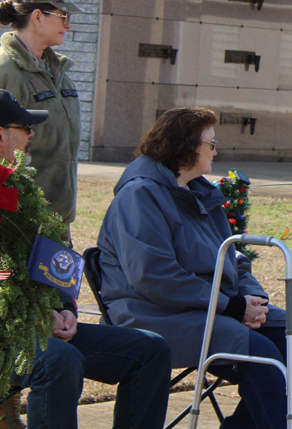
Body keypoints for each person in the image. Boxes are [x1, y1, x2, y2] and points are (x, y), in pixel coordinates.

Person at [96, 107, 292, 429]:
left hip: (212, 309)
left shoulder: (200, 192)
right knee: (261, 354)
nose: (216, 152)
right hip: (155, 313)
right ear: (184, 148)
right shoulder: (139, 196)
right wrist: (233, 308)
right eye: (211, 144)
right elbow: (155, 277)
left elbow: (233, 259)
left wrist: (253, 303)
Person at [0, 90, 171, 429]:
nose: (32, 134)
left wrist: (65, 310)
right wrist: (30, 317)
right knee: (58, 361)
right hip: (10, 331)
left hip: (37, 324)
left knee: (151, 350)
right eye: (24, 127)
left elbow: (56, 259)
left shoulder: (23, 191)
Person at [0, 0, 85, 232]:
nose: (68, 25)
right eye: (63, 16)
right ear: (37, 17)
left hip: (56, 223)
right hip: (17, 226)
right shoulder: (5, 69)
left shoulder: (58, 71)